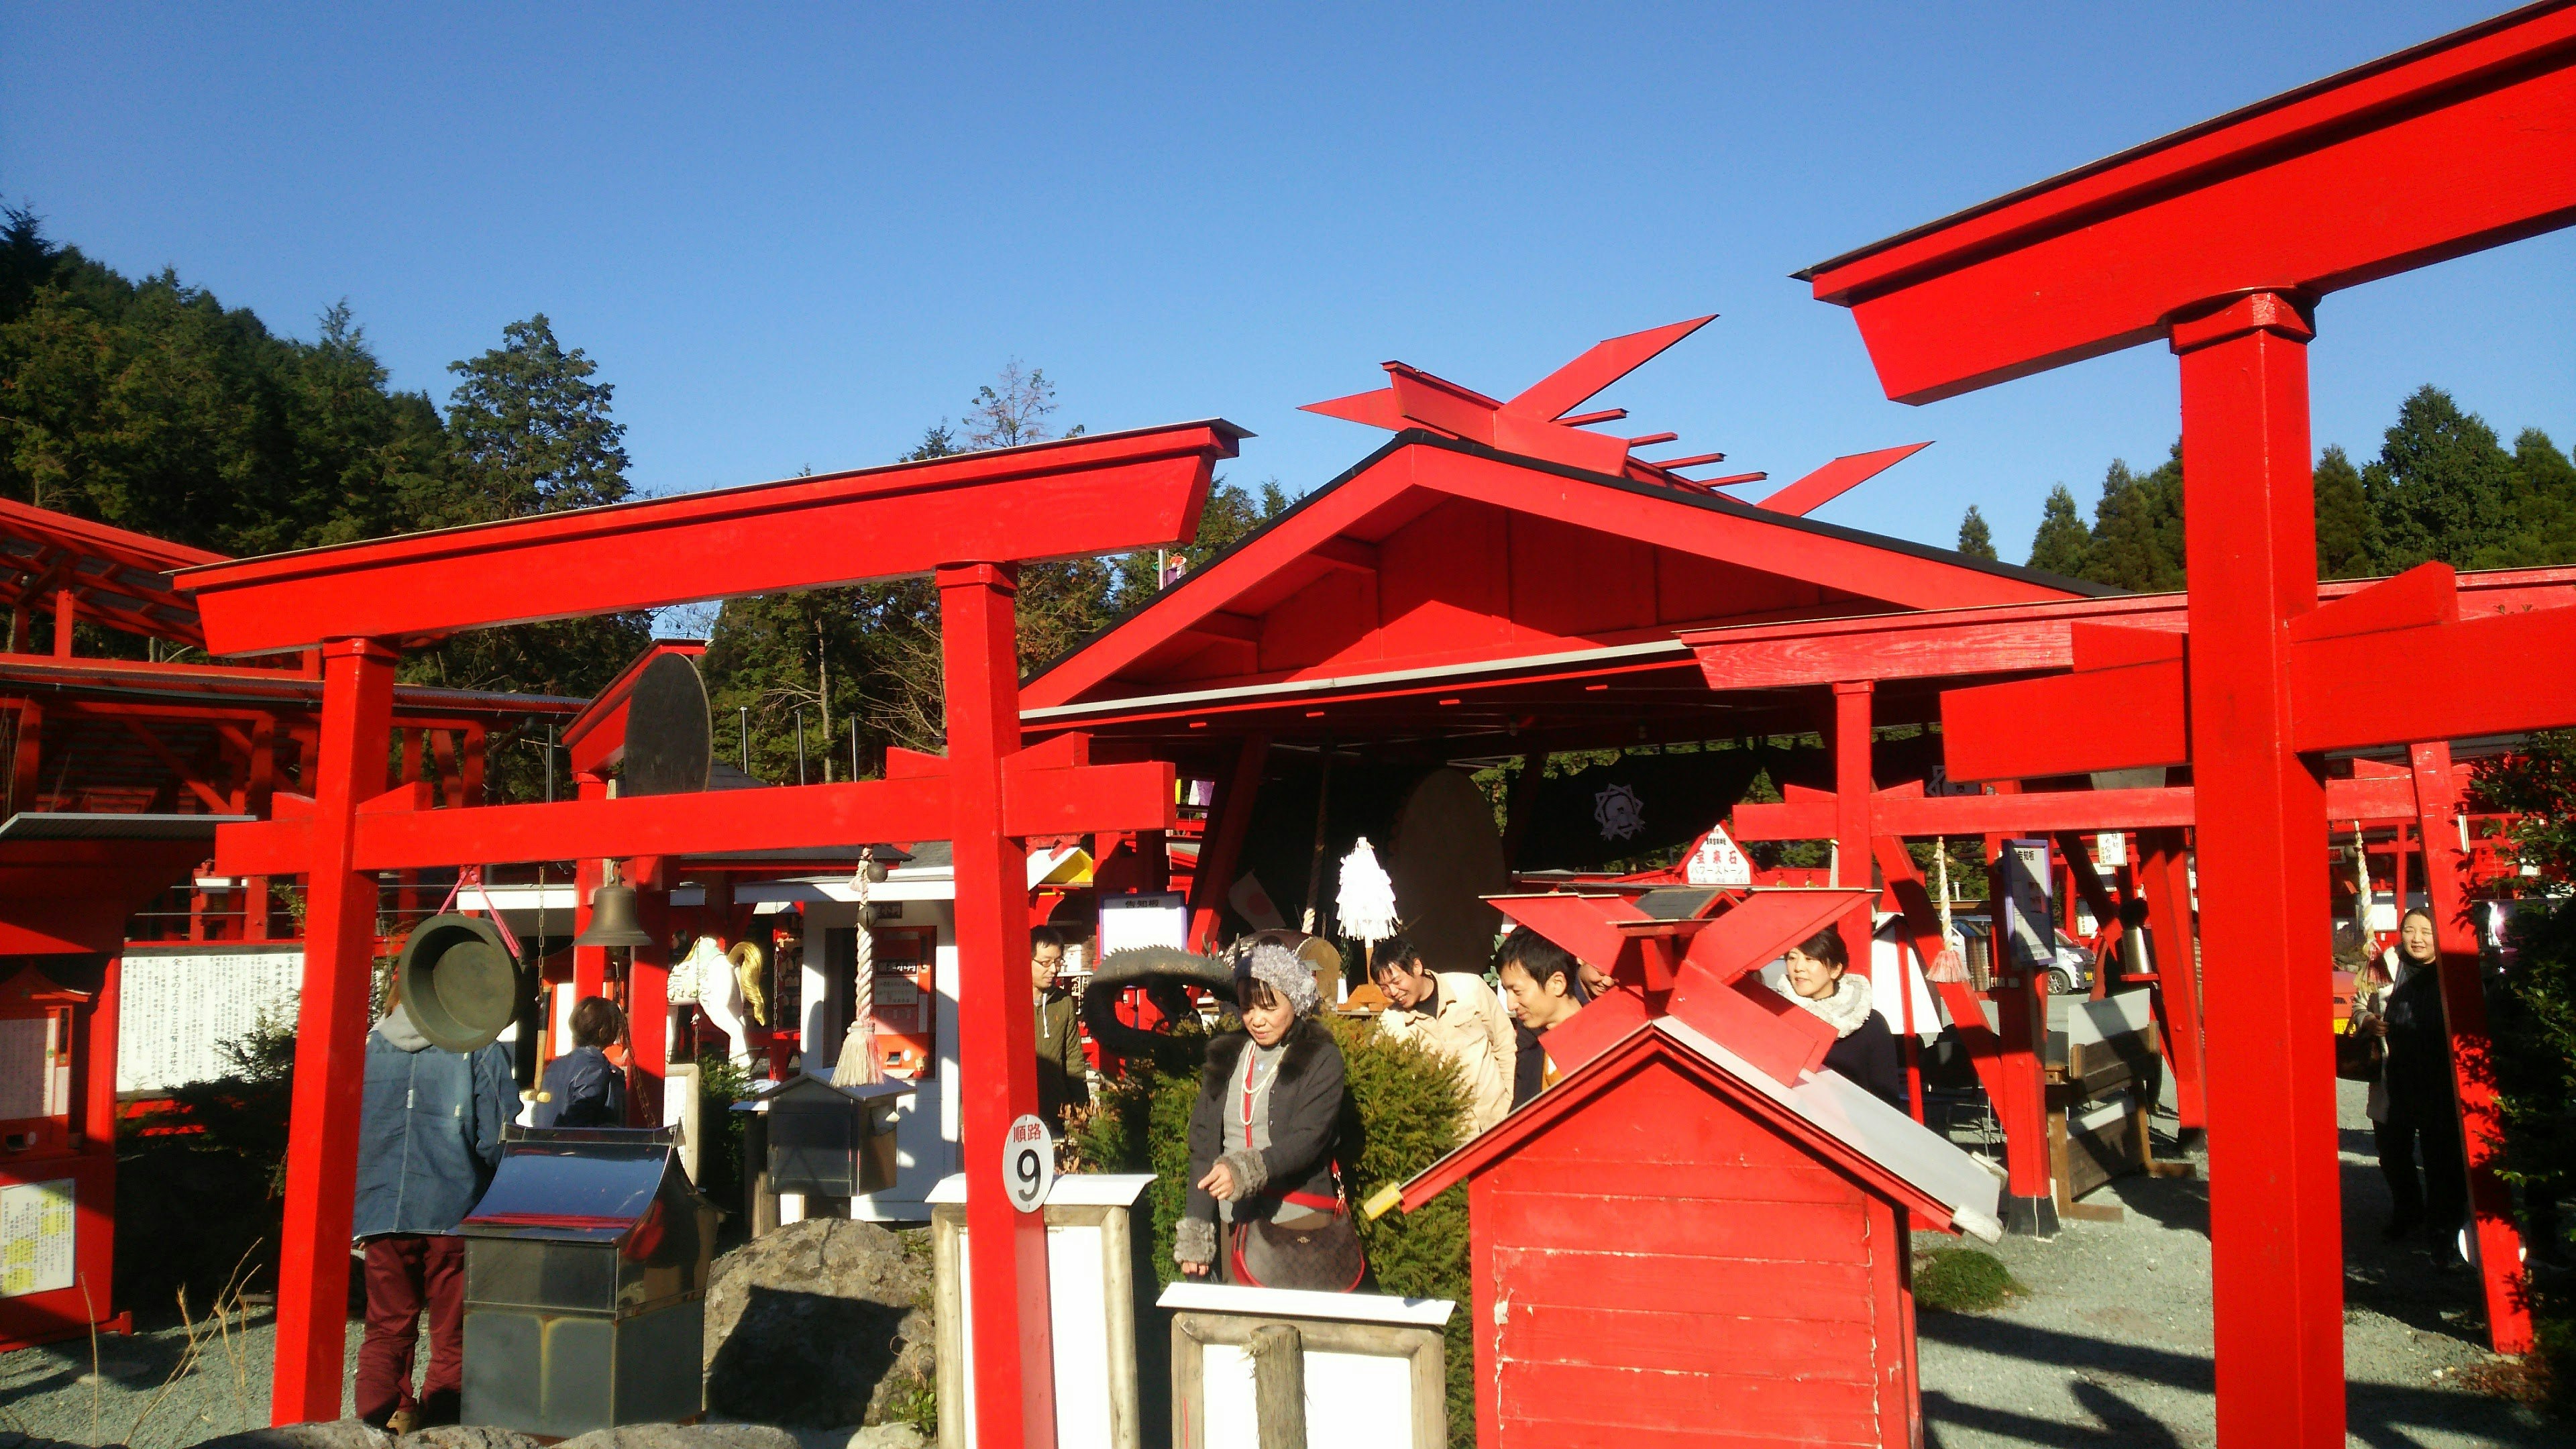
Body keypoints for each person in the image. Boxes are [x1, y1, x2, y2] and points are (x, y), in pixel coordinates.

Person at [353, 991, 515, 1432]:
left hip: (382, 1210)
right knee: (453, 1336)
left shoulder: (365, 1046)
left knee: (386, 1328)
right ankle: (443, 1432)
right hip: (455, 1209)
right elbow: (499, 1137)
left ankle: (376, 1426)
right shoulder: (479, 1048)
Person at [1177, 942, 1356, 1289]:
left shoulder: (1321, 1058)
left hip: (1299, 1222)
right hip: (1236, 1225)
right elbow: (1203, 1147)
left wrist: (1244, 1170)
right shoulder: (1227, 1056)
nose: (1256, 1019)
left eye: (1269, 1007)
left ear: (1295, 1000)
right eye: (1247, 1008)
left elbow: (1309, 1140)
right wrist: (1196, 1234)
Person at [2355, 908, 2467, 1248]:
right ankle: (2407, 1211)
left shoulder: (2455, 968)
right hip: (2395, 1074)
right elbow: (2360, 1004)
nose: (2416, 938)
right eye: (2409, 930)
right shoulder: (2384, 965)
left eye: (2425, 932)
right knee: (2392, 1152)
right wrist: (2368, 1021)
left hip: (2440, 1076)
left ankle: (2442, 1223)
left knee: (2440, 1155)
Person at [1371, 936, 1519, 1133]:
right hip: (1450, 1138)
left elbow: (1505, 1043)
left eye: (1396, 981)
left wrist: (1512, 1099)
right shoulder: (1390, 1025)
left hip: (1501, 1120)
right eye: (1384, 987)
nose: (1393, 992)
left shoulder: (1470, 989)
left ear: (1416, 967)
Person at [1773, 927, 1907, 1109]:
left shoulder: (1870, 1024)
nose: (1798, 968)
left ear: (1835, 970)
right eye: (1792, 958)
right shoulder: (1775, 1015)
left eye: (1810, 959)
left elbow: (1886, 1101)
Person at [1495, 928, 1589, 1103]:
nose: (1511, 1004)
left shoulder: (1605, 1046)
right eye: (1507, 991)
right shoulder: (1532, 1050)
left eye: (1517, 991)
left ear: (1557, 984)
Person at [535, 996, 627, 1128]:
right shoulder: (594, 1070)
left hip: (546, 1143)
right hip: (573, 1146)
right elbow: (580, 1124)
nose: (619, 1030)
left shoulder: (556, 1065)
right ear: (602, 1031)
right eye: (617, 1025)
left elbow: (539, 1114)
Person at [1031, 925, 1089, 1126]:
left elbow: (1074, 1060)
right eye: (1045, 963)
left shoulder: (1064, 1003)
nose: (1054, 969)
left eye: (1058, 961)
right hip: (1018, 1114)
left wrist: (1082, 1111)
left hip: (1056, 1112)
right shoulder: (1008, 1003)